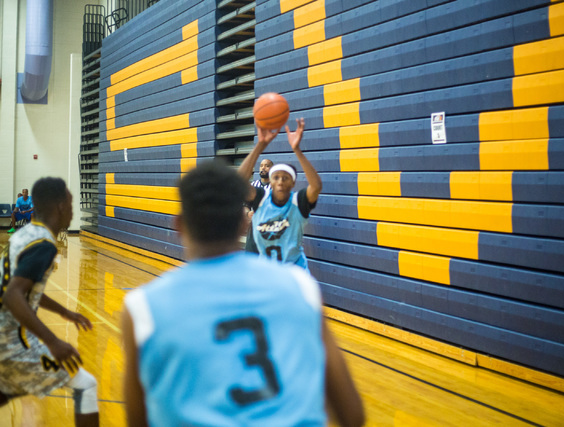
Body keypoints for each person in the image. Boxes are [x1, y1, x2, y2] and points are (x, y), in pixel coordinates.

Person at [121, 159, 363, 427]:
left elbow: (137, 419)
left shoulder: (142, 308)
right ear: (243, 224)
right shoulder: (301, 287)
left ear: (179, 225)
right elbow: (352, 415)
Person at [0, 177, 99, 427]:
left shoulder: (25, 235)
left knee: (8, 389)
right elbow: (13, 294)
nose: (73, 210)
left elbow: (25, 288)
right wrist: (53, 341)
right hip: (10, 343)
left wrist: (65, 312)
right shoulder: (43, 244)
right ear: (60, 206)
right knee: (86, 385)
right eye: (71, 202)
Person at [239, 118, 322, 271]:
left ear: (293, 183)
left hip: (294, 273)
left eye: (285, 178)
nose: (280, 182)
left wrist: (297, 149)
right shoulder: (261, 198)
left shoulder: (298, 201)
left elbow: (316, 186)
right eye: (276, 177)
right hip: (267, 271)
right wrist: (260, 145)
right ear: (271, 181)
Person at [245, 158, 273, 254]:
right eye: (261, 166)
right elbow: (245, 205)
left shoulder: (276, 188)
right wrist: (248, 213)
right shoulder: (253, 185)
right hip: (253, 231)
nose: (263, 168)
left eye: (267, 166)